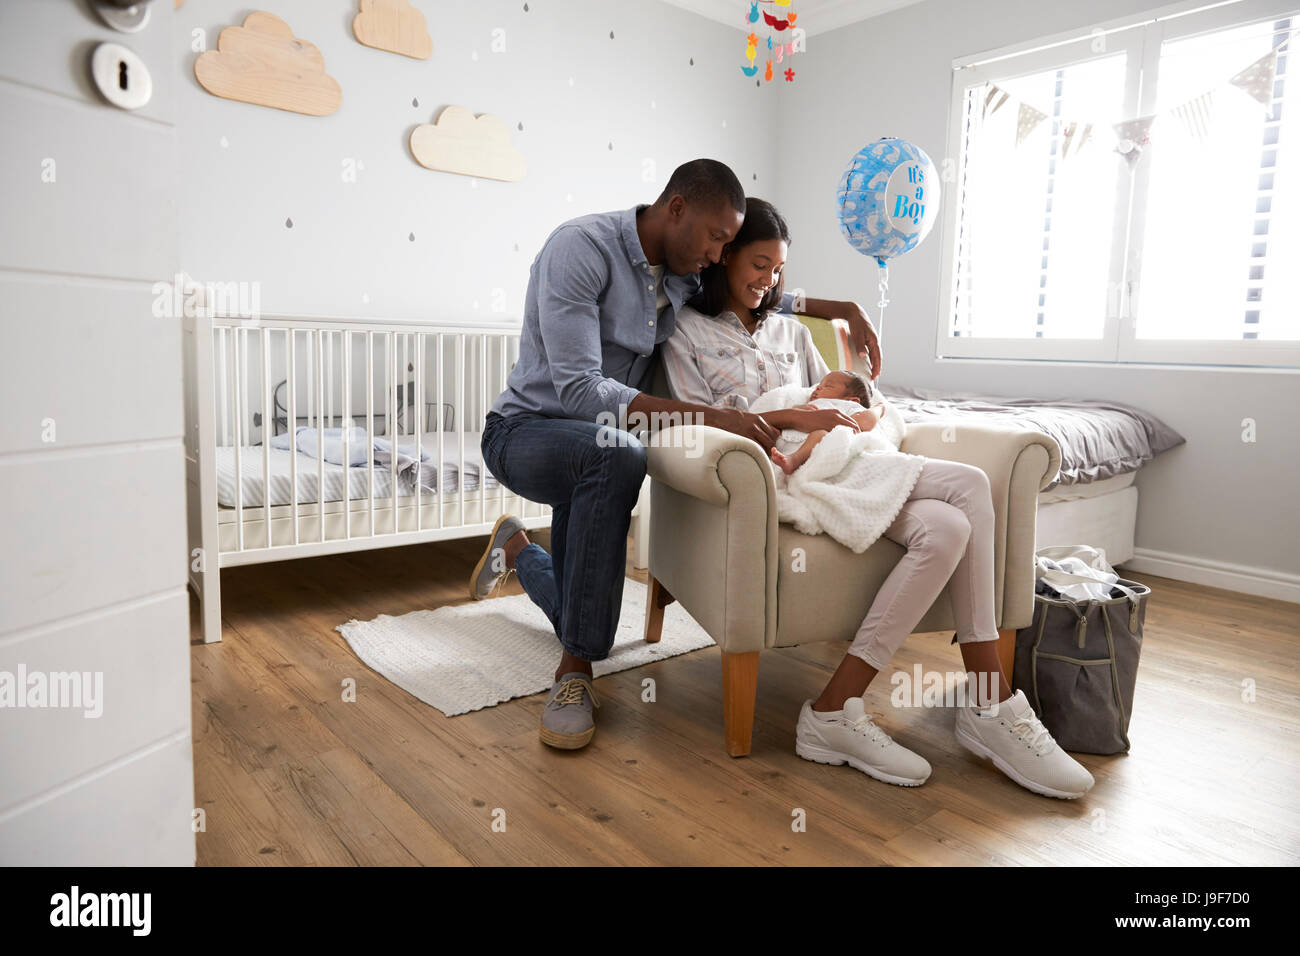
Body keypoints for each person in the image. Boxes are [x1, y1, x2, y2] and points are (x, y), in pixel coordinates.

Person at [662, 197, 1095, 799]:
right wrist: (791, 416)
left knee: (946, 529)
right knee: (968, 486)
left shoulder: (791, 328)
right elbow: (698, 423)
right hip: (775, 470)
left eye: (778, 270)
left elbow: (846, 397)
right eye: (758, 264)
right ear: (726, 256)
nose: (769, 281)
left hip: (846, 461)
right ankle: (991, 702)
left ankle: (835, 709)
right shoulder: (686, 329)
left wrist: (862, 413)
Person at [471, 160, 881, 751]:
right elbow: (582, 392)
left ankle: (516, 547)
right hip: (527, 431)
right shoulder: (579, 249)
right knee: (618, 455)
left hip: (593, 451)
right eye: (717, 238)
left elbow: (761, 291)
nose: (720, 254)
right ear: (677, 209)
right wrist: (729, 420)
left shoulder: (686, 272)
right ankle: (573, 676)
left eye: (727, 244)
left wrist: (842, 307)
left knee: (581, 607)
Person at [764, 369, 879, 475]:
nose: (818, 388)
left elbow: (865, 421)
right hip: (784, 444)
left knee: (820, 433)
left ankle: (794, 460)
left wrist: (880, 409)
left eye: (828, 386)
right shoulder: (807, 404)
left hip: (812, 447)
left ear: (851, 399)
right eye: (819, 385)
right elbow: (787, 416)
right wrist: (799, 409)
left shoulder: (848, 406)